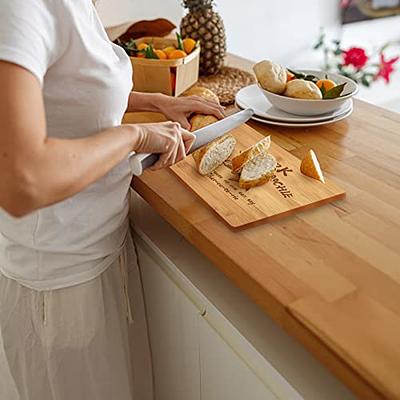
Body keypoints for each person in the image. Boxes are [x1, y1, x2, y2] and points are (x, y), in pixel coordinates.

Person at [0, 0, 224, 399]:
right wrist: (135, 137)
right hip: (61, 284)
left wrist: (154, 101)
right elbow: (22, 182)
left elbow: (67, 86)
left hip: (97, 253)